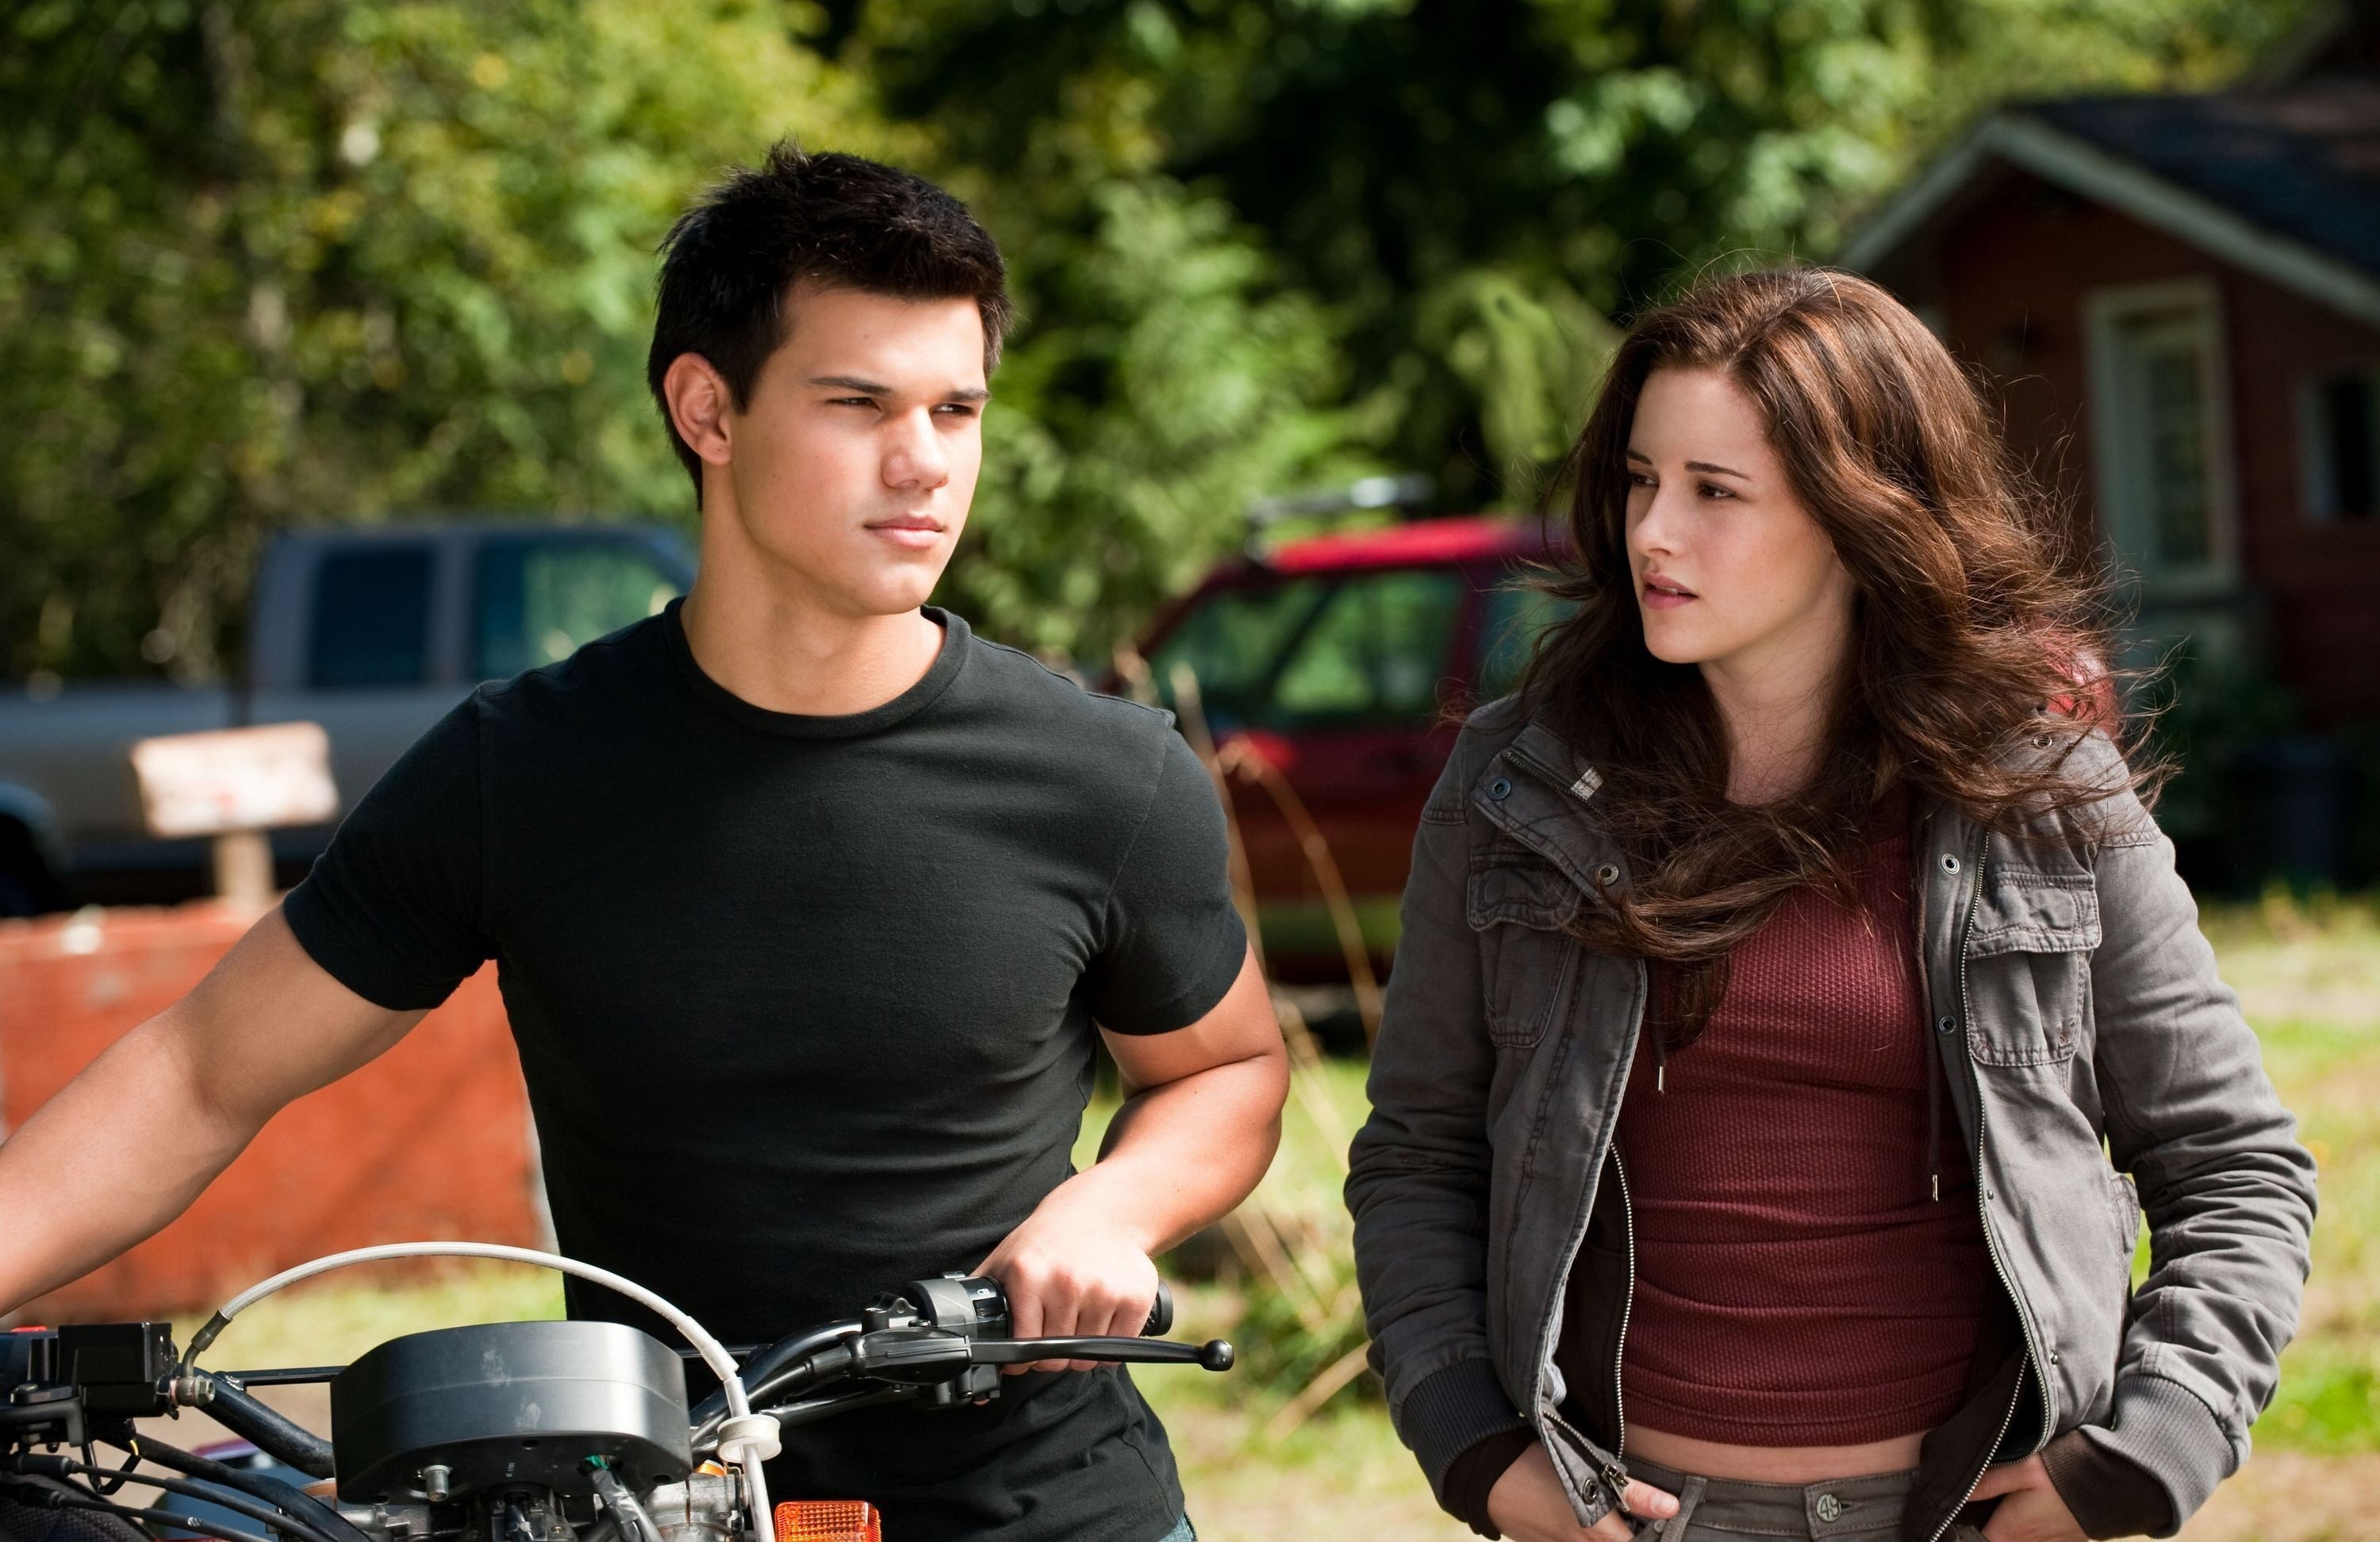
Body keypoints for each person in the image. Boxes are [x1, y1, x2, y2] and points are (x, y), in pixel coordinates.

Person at [0, 144, 1288, 1542]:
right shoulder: (522, 768)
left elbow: (1228, 1069)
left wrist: (1112, 1209)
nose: (924, 461)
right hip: (654, 1507)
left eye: (955, 408)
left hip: (1051, 1514)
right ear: (707, 409)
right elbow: (200, 1072)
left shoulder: (1105, 774)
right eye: (858, 403)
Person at [1345, 266, 2315, 1542]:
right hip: (1635, 1514)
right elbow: (1418, 1156)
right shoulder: (1520, 782)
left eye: (1715, 491)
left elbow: (2236, 1170)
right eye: (1639, 480)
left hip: (1964, 1515)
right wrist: (1476, 1449)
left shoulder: (2041, 794)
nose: (1652, 533)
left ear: (1863, 518)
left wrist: (2138, 1459)